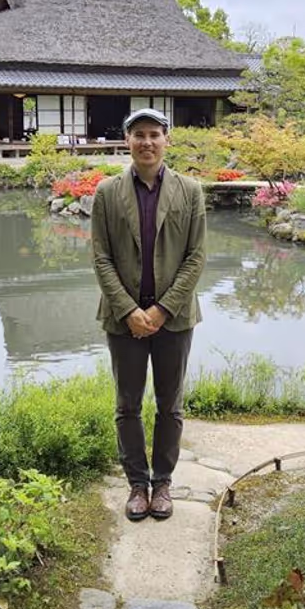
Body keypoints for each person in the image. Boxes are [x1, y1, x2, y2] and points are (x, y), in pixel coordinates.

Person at [90, 108, 207, 521]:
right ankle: (137, 484)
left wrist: (160, 309)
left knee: (170, 404)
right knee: (127, 404)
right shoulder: (106, 192)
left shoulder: (190, 191)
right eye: (139, 134)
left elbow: (196, 258)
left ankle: (163, 484)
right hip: (123, 320)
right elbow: (101, 258)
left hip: (173, 319)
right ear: (127, 140)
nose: (147, 142)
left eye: (154, 134)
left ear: (166, 140)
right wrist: (130, 310)